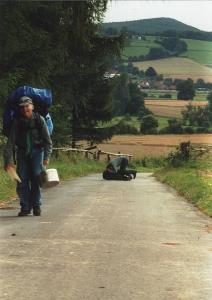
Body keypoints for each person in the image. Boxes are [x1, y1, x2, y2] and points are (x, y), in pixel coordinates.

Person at [3, 96, 53, 216]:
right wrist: (8, 161)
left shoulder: (39, 120)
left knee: (37, 178)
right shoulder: (17, 122)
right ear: (20, 109)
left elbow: (48, 142)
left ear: (32, 107)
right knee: (22, 180)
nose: (25, 109)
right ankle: (25, 207)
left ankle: (36, 206)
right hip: (22, 153)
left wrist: (46, 157)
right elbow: (10, 143)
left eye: (27, 106)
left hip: (37, 152)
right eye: (22, 107)